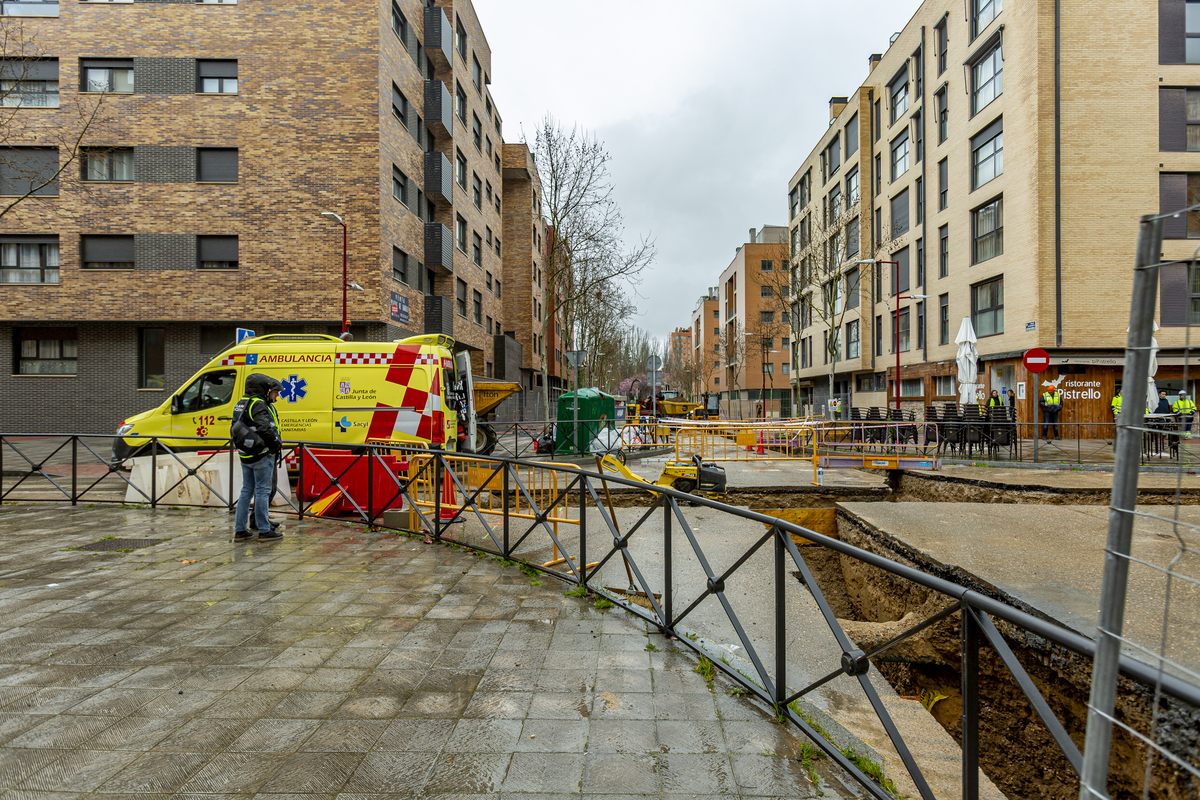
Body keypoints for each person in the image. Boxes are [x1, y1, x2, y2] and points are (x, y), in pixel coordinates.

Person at [232, 373, 284, 541]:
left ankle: (240, 530)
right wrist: (276, 446)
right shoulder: (259, 404)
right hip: (261, 454)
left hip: (245, 453)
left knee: (246, 490)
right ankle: (264, 530)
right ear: (263, 388)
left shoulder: (240, 403)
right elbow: (264, 429)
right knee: (262, 491)